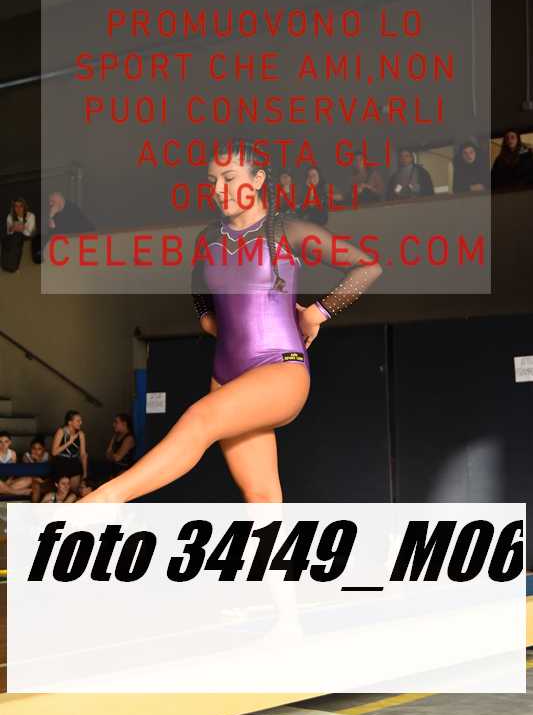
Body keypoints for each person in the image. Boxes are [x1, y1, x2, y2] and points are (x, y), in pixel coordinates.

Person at [79, 139, 383, 504]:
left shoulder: (288, 231)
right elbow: (197, 284)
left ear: (257, 180)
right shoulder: (209, 238)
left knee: (200, 419)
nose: (218, 189)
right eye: (212, 181)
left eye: (229, 178)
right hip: (225, 374)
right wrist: (208, 319)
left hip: (280, 368)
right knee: (261, 495)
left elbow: (368, 267)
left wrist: (317, 313)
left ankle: (102, 501)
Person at [50, 410, 88, 496]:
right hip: (61, 462)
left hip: (74, 462)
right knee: (62, 492)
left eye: (80, 420)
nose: (81, 423)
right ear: (70, 422)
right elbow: (54, 452)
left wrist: (85, 473)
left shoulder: (81, 434)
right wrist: (69, 442)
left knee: (74, 491)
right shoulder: (61, 431)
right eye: (78, 421)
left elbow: (83, 455)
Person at [0, 431, 31, 497]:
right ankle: (17, 492)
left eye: (6, 441)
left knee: (29, 479)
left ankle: (5, 491)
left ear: (10, 442)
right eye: (0, 442)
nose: (3, 444)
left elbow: (13, 470)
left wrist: (9, 480)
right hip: (0, 481)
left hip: (8, 481)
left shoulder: (12, 453)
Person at [22, 436, 51, 502]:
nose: (36, 451)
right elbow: (27, 472)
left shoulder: (47, 456)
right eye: (34, 448)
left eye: (39, 449)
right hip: (32, 479)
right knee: (36, 486)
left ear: (44, 449)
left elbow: (50, 471)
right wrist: (36, 461)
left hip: (45, 479)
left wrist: (38, 460)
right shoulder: (26, 456)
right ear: (30, 448)